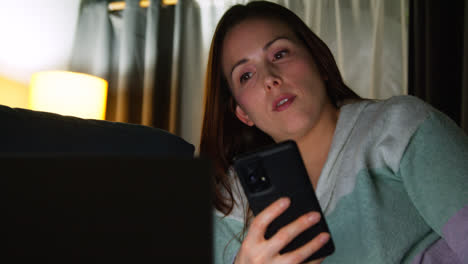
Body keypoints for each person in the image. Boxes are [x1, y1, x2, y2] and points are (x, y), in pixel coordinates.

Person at [199, 2, 468, 264]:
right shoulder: (230, 203)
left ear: (319, 63)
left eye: (280, 54)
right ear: (242, 113)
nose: (270, 78)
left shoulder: (401, 126)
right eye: (246, 75)